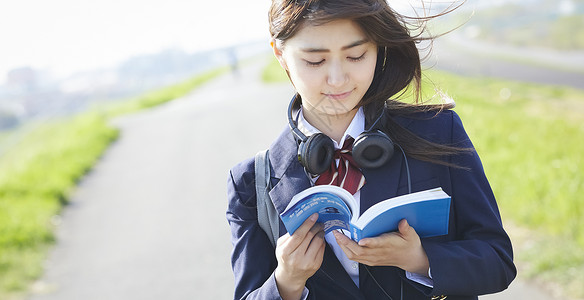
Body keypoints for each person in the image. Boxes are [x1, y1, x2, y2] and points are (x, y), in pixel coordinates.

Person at [226, 0, 516, 299]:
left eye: (356, 56)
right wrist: (286, 281)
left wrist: (419, 259)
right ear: (280, 54)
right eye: (315, 61)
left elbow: (498, 261)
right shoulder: (251, 183)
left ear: (378, 49)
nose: (337, 79)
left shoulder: (438, 130)